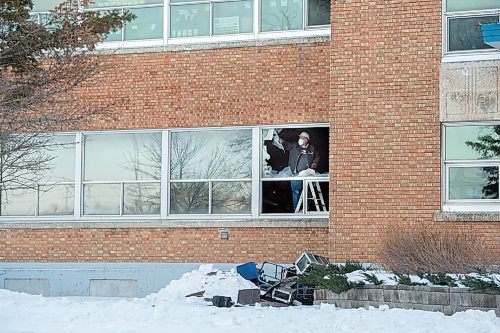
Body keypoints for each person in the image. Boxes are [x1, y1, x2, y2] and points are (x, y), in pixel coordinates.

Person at [280, 132, 320, 211]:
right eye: (299, 137)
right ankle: (297, 209)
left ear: (306, 140)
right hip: (296, 175)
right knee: (296, 192)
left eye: (302, 138)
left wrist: (314, 164)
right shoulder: (294, 146)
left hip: (307, 174)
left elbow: (317, 157)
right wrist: (280, 140)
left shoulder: (312, 148)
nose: (300, 139)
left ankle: (306, 208)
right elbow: (286, 144)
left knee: (308, 192)